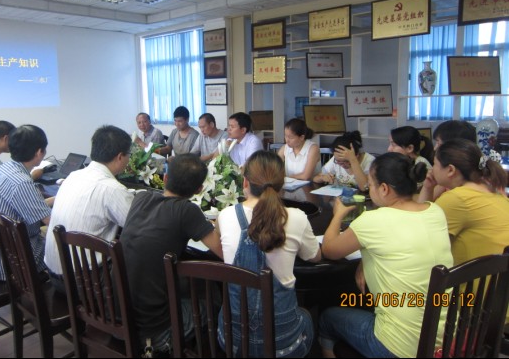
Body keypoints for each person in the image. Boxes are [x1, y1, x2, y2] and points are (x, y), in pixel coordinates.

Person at [319, 152, 453, 358]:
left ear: (384, 189)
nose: (369, 188)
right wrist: (364, 262)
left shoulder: (373, 220)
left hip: (398, 348)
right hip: (445, 341)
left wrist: (338, 215)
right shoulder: (435, 212)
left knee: (327, 318)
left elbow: (329, 249)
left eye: (371, 184)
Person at [217, 150, 321, 357]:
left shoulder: (225, 215)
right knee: (307, 316)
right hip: (283, 347)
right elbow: (315, 257)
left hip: (234, 343)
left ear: (245, 182)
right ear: (282, 185)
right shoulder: (297, 217)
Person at [119, 153, 223, 354]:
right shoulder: (187, 210)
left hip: (119, 317)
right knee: (214, 297)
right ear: (199, 189)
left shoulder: (140, 198)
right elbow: (223, 252)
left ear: (165, 178)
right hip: (153, 333)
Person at [44, 125, 135, 292]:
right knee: (141, 258)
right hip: (86, 284)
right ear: (120, 156)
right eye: (129, 154)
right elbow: (138, 227)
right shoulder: (112, 189)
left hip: (54, 276)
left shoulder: (73, 176)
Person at [0, 125, 54, 281]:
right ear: (39, 152)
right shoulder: (21, 183)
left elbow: (33, 205)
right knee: (70, 246)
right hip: (14, 265)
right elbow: (52, 222)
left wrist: (58, 198)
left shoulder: (1, 170)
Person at [420, 138, 509, 267]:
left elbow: (419, 232)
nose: (432, 170)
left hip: (476, 278)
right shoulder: (491, 190)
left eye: (434, 164)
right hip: (498, 277)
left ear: (450, 170)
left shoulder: (458, 198)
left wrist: (426, 188)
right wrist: (428, 187)